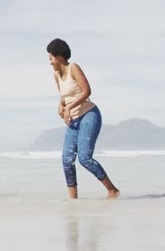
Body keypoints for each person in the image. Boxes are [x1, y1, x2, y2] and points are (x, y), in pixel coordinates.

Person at [47, 38, 120, 199]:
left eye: (51, 58)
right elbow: (64, 97)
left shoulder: (73, 67)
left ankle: (113, 191)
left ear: (59, 57)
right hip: (73, 120)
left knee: (85, 158)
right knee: (67, 160)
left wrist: (69, 108)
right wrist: (61, 106)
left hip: (89, 115)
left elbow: (86, 91)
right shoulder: (56, 75)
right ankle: (73, 200)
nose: (50, 62)